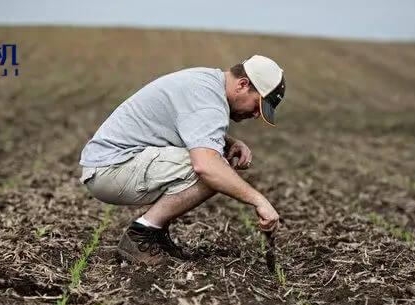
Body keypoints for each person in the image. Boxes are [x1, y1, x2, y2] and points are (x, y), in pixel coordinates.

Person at [79, 55, 286, 266]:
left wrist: (229, 142)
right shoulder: (209, 102)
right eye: (258, 105)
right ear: (243, 84)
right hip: (111, 168)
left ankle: (155, 233)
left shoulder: (207, 83)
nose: (257, 114)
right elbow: (206, 165)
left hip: (111, 165)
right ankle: (140, 234)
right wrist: (259, 201)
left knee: (215, 162)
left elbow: (190, 123)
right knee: (215, 167)